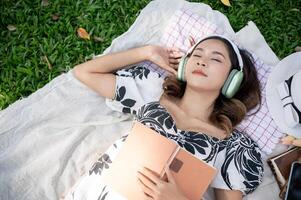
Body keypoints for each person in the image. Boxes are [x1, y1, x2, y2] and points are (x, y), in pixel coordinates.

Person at [67, 35, 264, 200]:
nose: (202, 61)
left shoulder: (233, 147)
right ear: (184, 65)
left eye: (216, 59)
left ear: (233, 79)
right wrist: (147, 52)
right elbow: (84, 72)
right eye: (196, 54)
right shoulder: (153, 92)